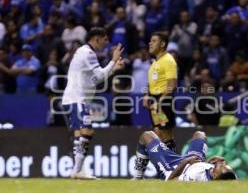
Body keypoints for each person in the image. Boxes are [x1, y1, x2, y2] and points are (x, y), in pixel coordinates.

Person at [62, 27, 124, 179]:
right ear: (97, 39)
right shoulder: (88, 53)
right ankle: (77, 171)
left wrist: (113, 69)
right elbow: (100, 76)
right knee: (87, 131)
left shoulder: (83, 52)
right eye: (105, 39)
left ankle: (79, 170)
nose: (107, 42)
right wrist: (113, 60)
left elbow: (93, 79)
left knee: (79, 134)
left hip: (73, 98)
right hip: (76, 99)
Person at [133, 130, 237, 181]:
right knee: (200, 134)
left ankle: (138, 177)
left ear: (215, 175)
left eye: (217, 165)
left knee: (146, 136)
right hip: (196, 161)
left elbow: (170, 182)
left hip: (173, 168)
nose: (219, 163)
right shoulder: (230, 177)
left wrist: (186, 161)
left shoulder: (195, 176)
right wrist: (208, 162)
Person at [143, 31, 177, 153]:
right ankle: (166, 164)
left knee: (165, 133)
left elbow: (172, 85)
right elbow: (151, 82)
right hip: (154, 102)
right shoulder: (155, 62)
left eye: (154, 41)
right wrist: (147, 95)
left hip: (163, 102)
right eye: (150, 41)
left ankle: (173, 164)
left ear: (162, 44)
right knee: (158, 132)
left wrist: (160, 101)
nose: (150, 43)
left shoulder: (168, 60)